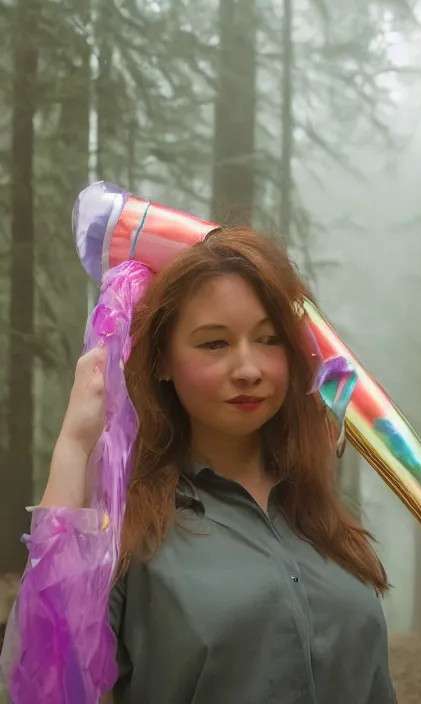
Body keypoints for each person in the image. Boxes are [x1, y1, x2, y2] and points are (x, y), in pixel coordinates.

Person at [40, 226, 397, 703]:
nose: (248, 369)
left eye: (268, 340)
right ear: (163, 359)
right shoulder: (129, 528)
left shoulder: (319, 518)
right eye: (215, 344)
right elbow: (49, 672)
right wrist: (74, 445)